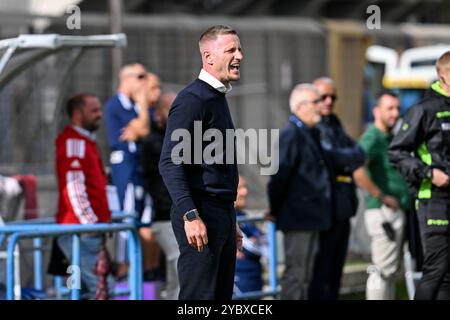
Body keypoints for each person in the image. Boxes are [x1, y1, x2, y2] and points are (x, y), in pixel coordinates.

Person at [159, 25, 243, 300]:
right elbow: (170, 163)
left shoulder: (216, 97)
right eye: (231, 49)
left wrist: (231, 219)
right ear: (208, 57)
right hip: (200, 214)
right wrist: (190, 215)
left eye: (239, 49)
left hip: (221, 214)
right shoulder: (193, 100)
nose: (239, 56)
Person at [388, 51, 450, 300]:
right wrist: (429, 173)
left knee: (448, 273)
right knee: (435, 269)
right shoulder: (424, 110)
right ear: (441, 75)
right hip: (433, 199)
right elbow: (396, 152)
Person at [267, 83, 333, 300]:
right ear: (301, 106)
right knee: (296, 274)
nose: (321, 106)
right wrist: (275, 208)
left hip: (311, 217)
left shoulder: (310, 132)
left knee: (305, 275)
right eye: (316, 102)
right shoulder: (291, 134)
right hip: (298, 217)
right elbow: (279, 176)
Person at [309, 77, 366, 300]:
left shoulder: (334, 123)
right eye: (324, 97)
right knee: (320, 274)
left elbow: (358, 153)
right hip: (324, 213)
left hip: (342, 209)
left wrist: (345, 159)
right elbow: (330, 155)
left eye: (333, 97)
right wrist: (345, 159)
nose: (329, 101)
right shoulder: (313, 127)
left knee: (334, 274)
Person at [55, 93, 113, 299]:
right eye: (94, 110)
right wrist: (92, 225)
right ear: (78, 114)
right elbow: (74, 189)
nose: (100, 114)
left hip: (85, 231)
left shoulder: (85, 141)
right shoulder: (74, 143)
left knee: (86, 288)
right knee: (93, 289)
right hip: (80, 232)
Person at [104, 65, 160, 279]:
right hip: (126, 171)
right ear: (125, 79)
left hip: (141, 171)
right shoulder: (115, 106)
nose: (143, 82)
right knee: (126, 221)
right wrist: (142, 110)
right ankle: (123, 270)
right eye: (140, 77)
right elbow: (141, 129)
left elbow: (142, 129)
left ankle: (144, 276)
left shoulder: (138, 106)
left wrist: (141, 117)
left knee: (145, 222)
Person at [353, 91, 409, 300]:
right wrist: (381, 195)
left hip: (394, 211)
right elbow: (357, 170)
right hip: (383, 212)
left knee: (389, 271)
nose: (395, 113)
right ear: (376, 111)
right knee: (381, 271)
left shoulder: (389, 136)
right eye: (390, 108)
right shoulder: (372, 137)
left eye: (397, 108)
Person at [141, 91, 180, 299]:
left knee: (182, 270)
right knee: (180, 262)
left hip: (184, 213)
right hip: (165, 216)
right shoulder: (154, 141)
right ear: (158, 113)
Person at [234, 176, 266, 296]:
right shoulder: (225, 219)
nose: (245, 192)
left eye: (245, 187)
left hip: (254, 275)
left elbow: (261, 241)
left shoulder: (244, 216)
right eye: (240, 188)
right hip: (240, 277)